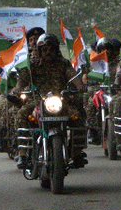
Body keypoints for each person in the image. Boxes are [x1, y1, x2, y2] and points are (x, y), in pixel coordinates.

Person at [14, 33, 88, 167]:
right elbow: (22, 80)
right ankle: (23, 154)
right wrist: (18, 89)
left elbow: (72, 75)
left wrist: (80, 86)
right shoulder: (32, 65)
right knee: (21, 114)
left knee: (78, 116)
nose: (48, 52)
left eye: (51, 49)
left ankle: (77, 152)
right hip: (37, 100)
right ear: (39, 50)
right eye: (44, 49)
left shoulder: (63, 63)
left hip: (60, 101)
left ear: (56, 49)